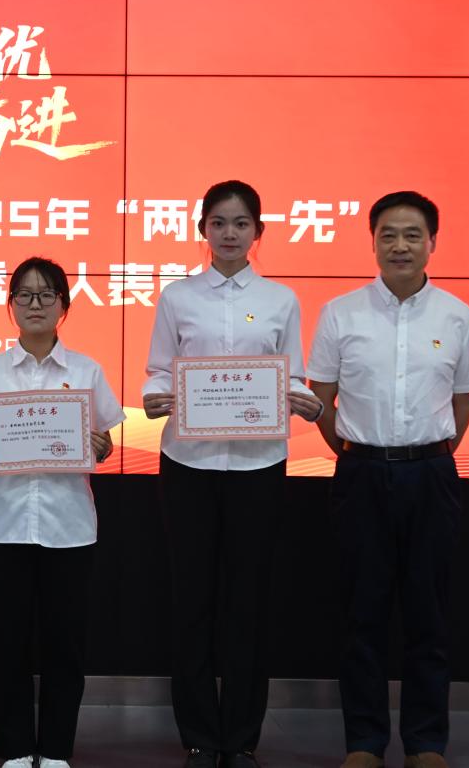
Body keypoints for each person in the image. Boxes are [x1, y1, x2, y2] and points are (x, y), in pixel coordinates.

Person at [141, 180, 323, 768]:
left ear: (257, 232)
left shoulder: (280, 300)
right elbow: (158, 371)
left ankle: (241, 737)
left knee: (248, 601)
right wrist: (155, 396)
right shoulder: (177, 297)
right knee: (191, 599)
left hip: (257, 464)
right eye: (218, 222)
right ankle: (198, 735)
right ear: (202, 229)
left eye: (241, 223)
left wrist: (301, 400)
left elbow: (292, 376)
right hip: (188, 463)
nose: (228, 233)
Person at [307, 191, 469, 768]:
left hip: (431, 475)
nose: (400, 245)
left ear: (432, 242)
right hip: (360, 473)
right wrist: (356, 451)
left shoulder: (457, 316)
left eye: (412, 234)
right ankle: (364, 743)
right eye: (388, 234)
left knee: (427, 614)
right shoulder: (341, 313)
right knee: (361, 614)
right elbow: (322, 398)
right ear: (374, 242)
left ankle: (426, 744)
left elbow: (463, 401)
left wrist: (428, 452)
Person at [0, 257, 125, 768]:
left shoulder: (86, 371)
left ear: (63, 305)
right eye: (25, 295)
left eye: (46, 294)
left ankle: (55, 749)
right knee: (7, 642)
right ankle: (14, 748)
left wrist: (100, 446)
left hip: (69, 525)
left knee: (65, 645)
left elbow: (105, 442)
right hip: (4, 523)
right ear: (11, 306)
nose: (35, 304)